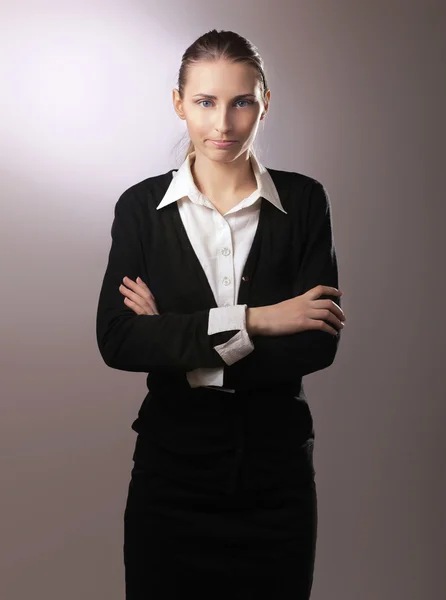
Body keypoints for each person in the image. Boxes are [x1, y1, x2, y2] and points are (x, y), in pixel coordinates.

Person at [96, 28, 346, 600]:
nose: (223, 124)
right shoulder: (140, 209)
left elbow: (317, 342)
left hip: (276, 479)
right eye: (205, 102)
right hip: (172, 476)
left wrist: (176, 338)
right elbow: (118, 340)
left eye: (242, 102)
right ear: (178, 103)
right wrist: (261, 319)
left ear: (265, 103)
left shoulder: (306, 202)